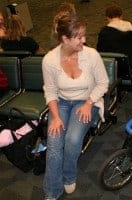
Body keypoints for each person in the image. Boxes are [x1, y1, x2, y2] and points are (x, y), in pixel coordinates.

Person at [42, 14, 109, 199]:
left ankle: (69, 176)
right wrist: (55, 117)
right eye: (79, 37)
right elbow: (50, 91)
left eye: (84, 36)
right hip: (61, 103)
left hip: (88, 101)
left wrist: (89, 103)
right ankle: (52, 192)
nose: (84, 40)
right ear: (65, 39)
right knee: (54, 142)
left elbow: (103, 83)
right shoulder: (49, 60)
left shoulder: (91, 55)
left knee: (72, 139)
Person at [96, 4, 132, 75]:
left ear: (107, 17)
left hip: (115, 68)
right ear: (121, 15)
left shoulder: (104, 32)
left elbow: (101, 51)